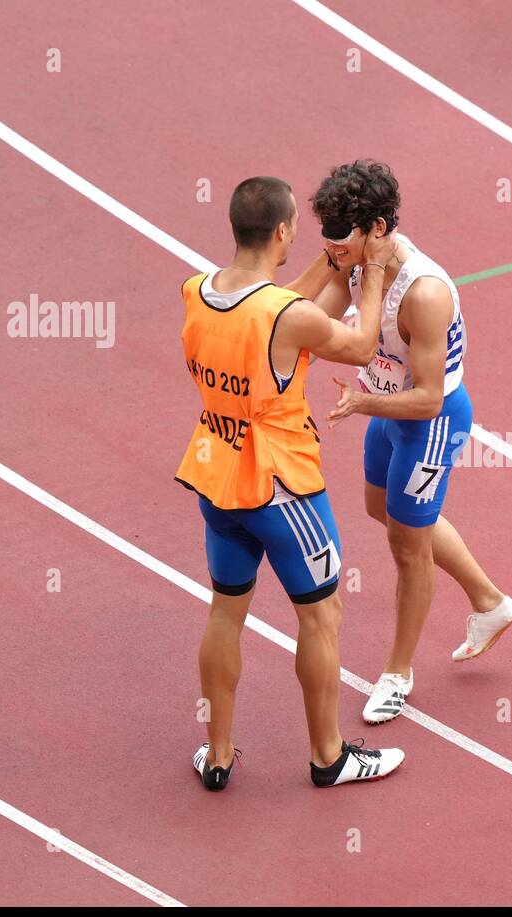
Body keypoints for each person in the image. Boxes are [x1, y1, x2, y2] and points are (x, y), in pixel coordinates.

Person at [175, 175, 405, 789]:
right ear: (281, 230)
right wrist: (373, 271)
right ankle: (328, 756)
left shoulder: (198, 290)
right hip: (281, 487)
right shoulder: (284, 315)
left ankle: (218, 754)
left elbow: (283, 303)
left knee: (226, 613)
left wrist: (329, 258)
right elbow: (359, 347)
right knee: (322, 617)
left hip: (216, 476)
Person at [304, 160, 512, 725]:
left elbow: (426, 398)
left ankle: (397, 675)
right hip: (384, 405)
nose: (330, 247)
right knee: (383, 510)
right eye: (323, 234)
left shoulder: (423, 294)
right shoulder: (354, 257)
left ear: (377, 228)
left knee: (407, 545)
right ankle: (491, 602)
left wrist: (362, 402)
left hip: (428, 419)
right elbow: (314, 322)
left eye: (339, 235)